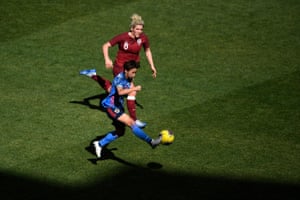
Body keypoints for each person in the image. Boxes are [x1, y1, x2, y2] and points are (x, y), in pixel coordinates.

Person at [80, 13, 157, 128]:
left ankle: (94, 75)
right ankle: (134, 121)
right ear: (132, 28)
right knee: (132, 91)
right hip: (120, 67)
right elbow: (105, 45)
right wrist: (107, 59)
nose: (140, 31)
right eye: (137, 29)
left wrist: (152, 65)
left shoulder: (143, 38)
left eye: (141, 29)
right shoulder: (123, 37)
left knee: (113, 90)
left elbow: (147, 51)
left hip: (132, 68)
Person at [93, 60, 161, 158]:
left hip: (118, 106)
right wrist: (134, 89)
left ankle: (99, 144)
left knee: (120, 132)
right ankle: (151, 142)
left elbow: (127, 91)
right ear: (126, 71)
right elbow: (120, 92)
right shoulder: (119, 79)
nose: (134, 75)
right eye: (133, 72)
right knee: (131, 122)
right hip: (111, 106)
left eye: (135, 72)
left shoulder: (129, 78)